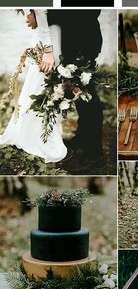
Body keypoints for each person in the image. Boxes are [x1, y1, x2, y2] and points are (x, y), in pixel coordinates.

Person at [28, 10, 104, 170]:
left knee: (87, 96)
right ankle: (83, 137)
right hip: (73, 39)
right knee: (78, 92)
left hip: (83, 38)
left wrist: (44, 16)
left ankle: (93, 154)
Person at [0, 9, 67, 163]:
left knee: (44, 84)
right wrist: (48, 50)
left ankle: (42, 130)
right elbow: (41, 10)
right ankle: (36, 134)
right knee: (42, 82)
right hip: (47, 36)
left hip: (48, 32)